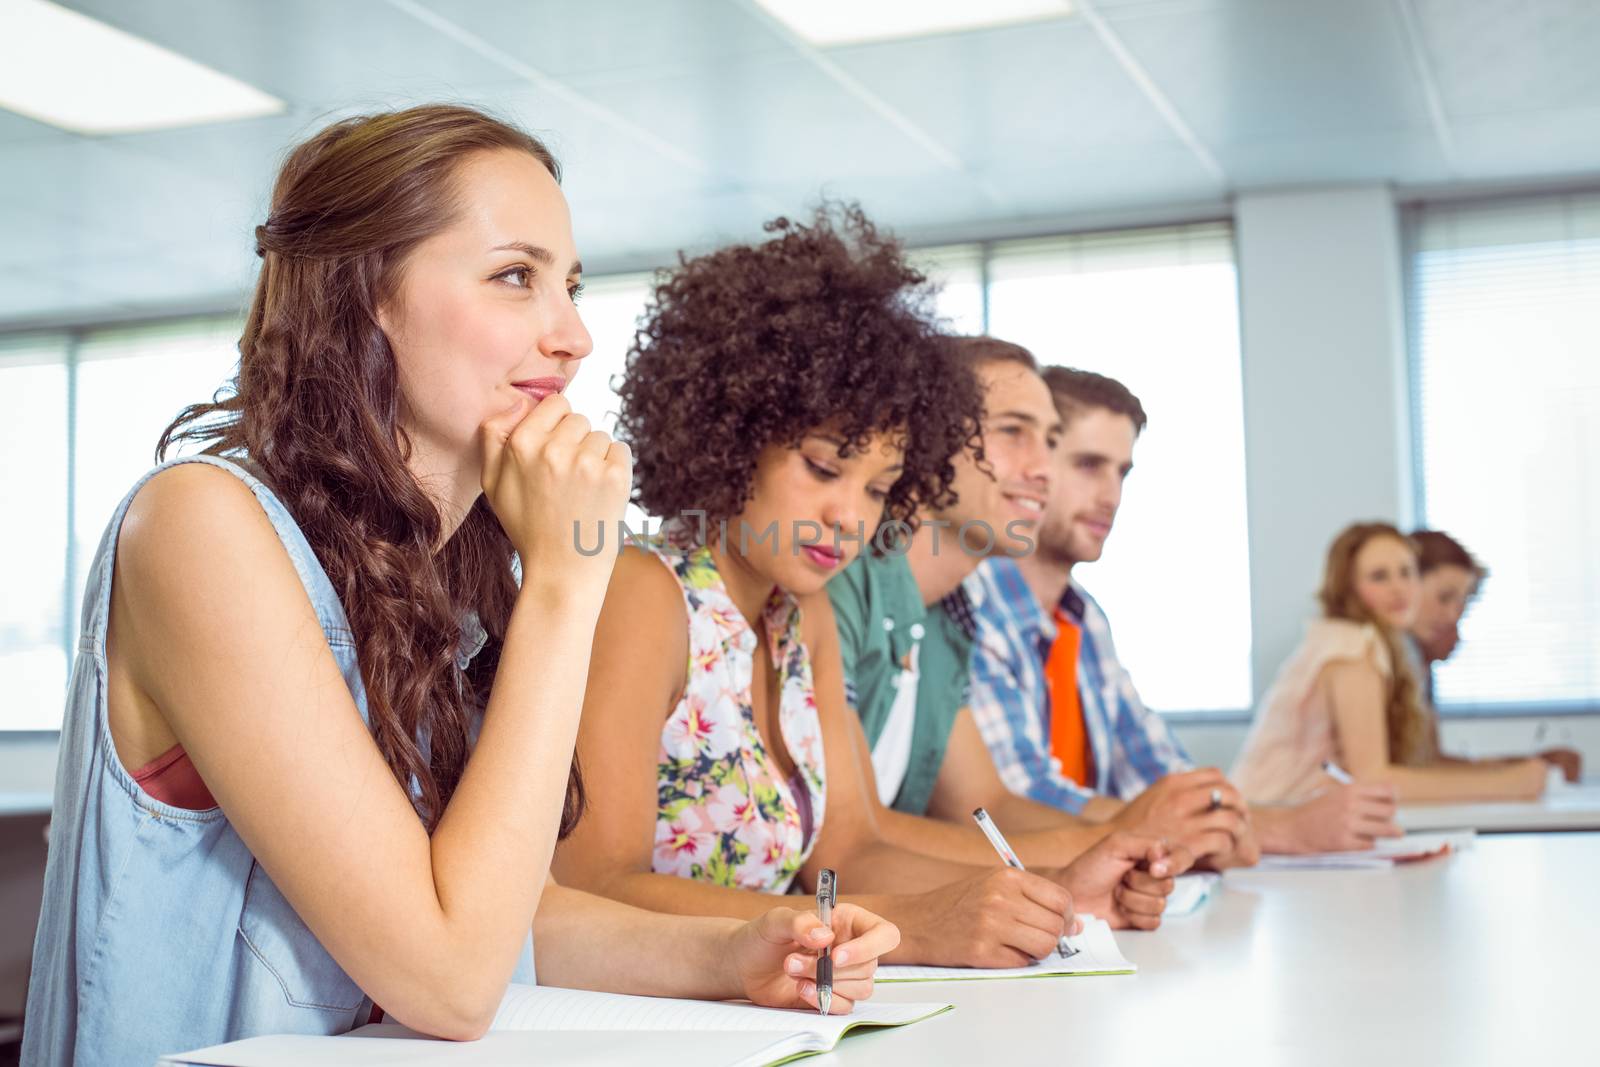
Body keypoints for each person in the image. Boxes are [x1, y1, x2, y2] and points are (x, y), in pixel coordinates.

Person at [24, 106, 898, 1067]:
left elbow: (503, 919)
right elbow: (448, 977)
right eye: (515, 277)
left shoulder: (456, 571)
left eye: (569, 285)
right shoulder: (199, 525)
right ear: (365, 299)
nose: (572, 337)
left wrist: (733, 952)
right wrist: (570, 581)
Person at [555, 210, 1181, 972]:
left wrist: (1050, 893)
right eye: (823, 469)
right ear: (734, 438)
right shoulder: (643, 592)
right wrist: (907, 926)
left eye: (880, 487)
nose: (848, 517)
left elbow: (848, 849)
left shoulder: (802, 611)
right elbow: (598, 885)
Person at [828, 340, 1255, 870]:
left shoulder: (945, 615)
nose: (1044, 470)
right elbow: (852, 840)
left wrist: (1136, 841)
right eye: (1013, 432)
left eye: (1051, 441)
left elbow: (988, 805)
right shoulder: (839, 581)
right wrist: (1126, 840)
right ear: (927, 434)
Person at [969, 367, 1401, 855]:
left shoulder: (1084, 618)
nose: (1112, 496)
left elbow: (1162, 775)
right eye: (1089, 465)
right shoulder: (974, 607)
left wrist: (1224, 821)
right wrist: (1272, 828)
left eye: (1122, 472)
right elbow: (1018, 802)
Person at [1232, 522, 1548, 803]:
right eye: (1379, 577)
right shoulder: (1351, 647)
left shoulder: (1366, 644)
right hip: (1269, 821)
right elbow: (1373, 779)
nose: (1398, 588)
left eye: (1406, 572)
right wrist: (1508, 784)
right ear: (1349, 587)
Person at [1407, 530, 1581, 781]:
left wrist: (1524, 764)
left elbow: (1429, 761)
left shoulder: (1416, 666)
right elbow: (1408, 773)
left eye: (1461, 605)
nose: (1453, 617)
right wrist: (1515, 776)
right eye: (1444, 598)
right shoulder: (1371, 661)